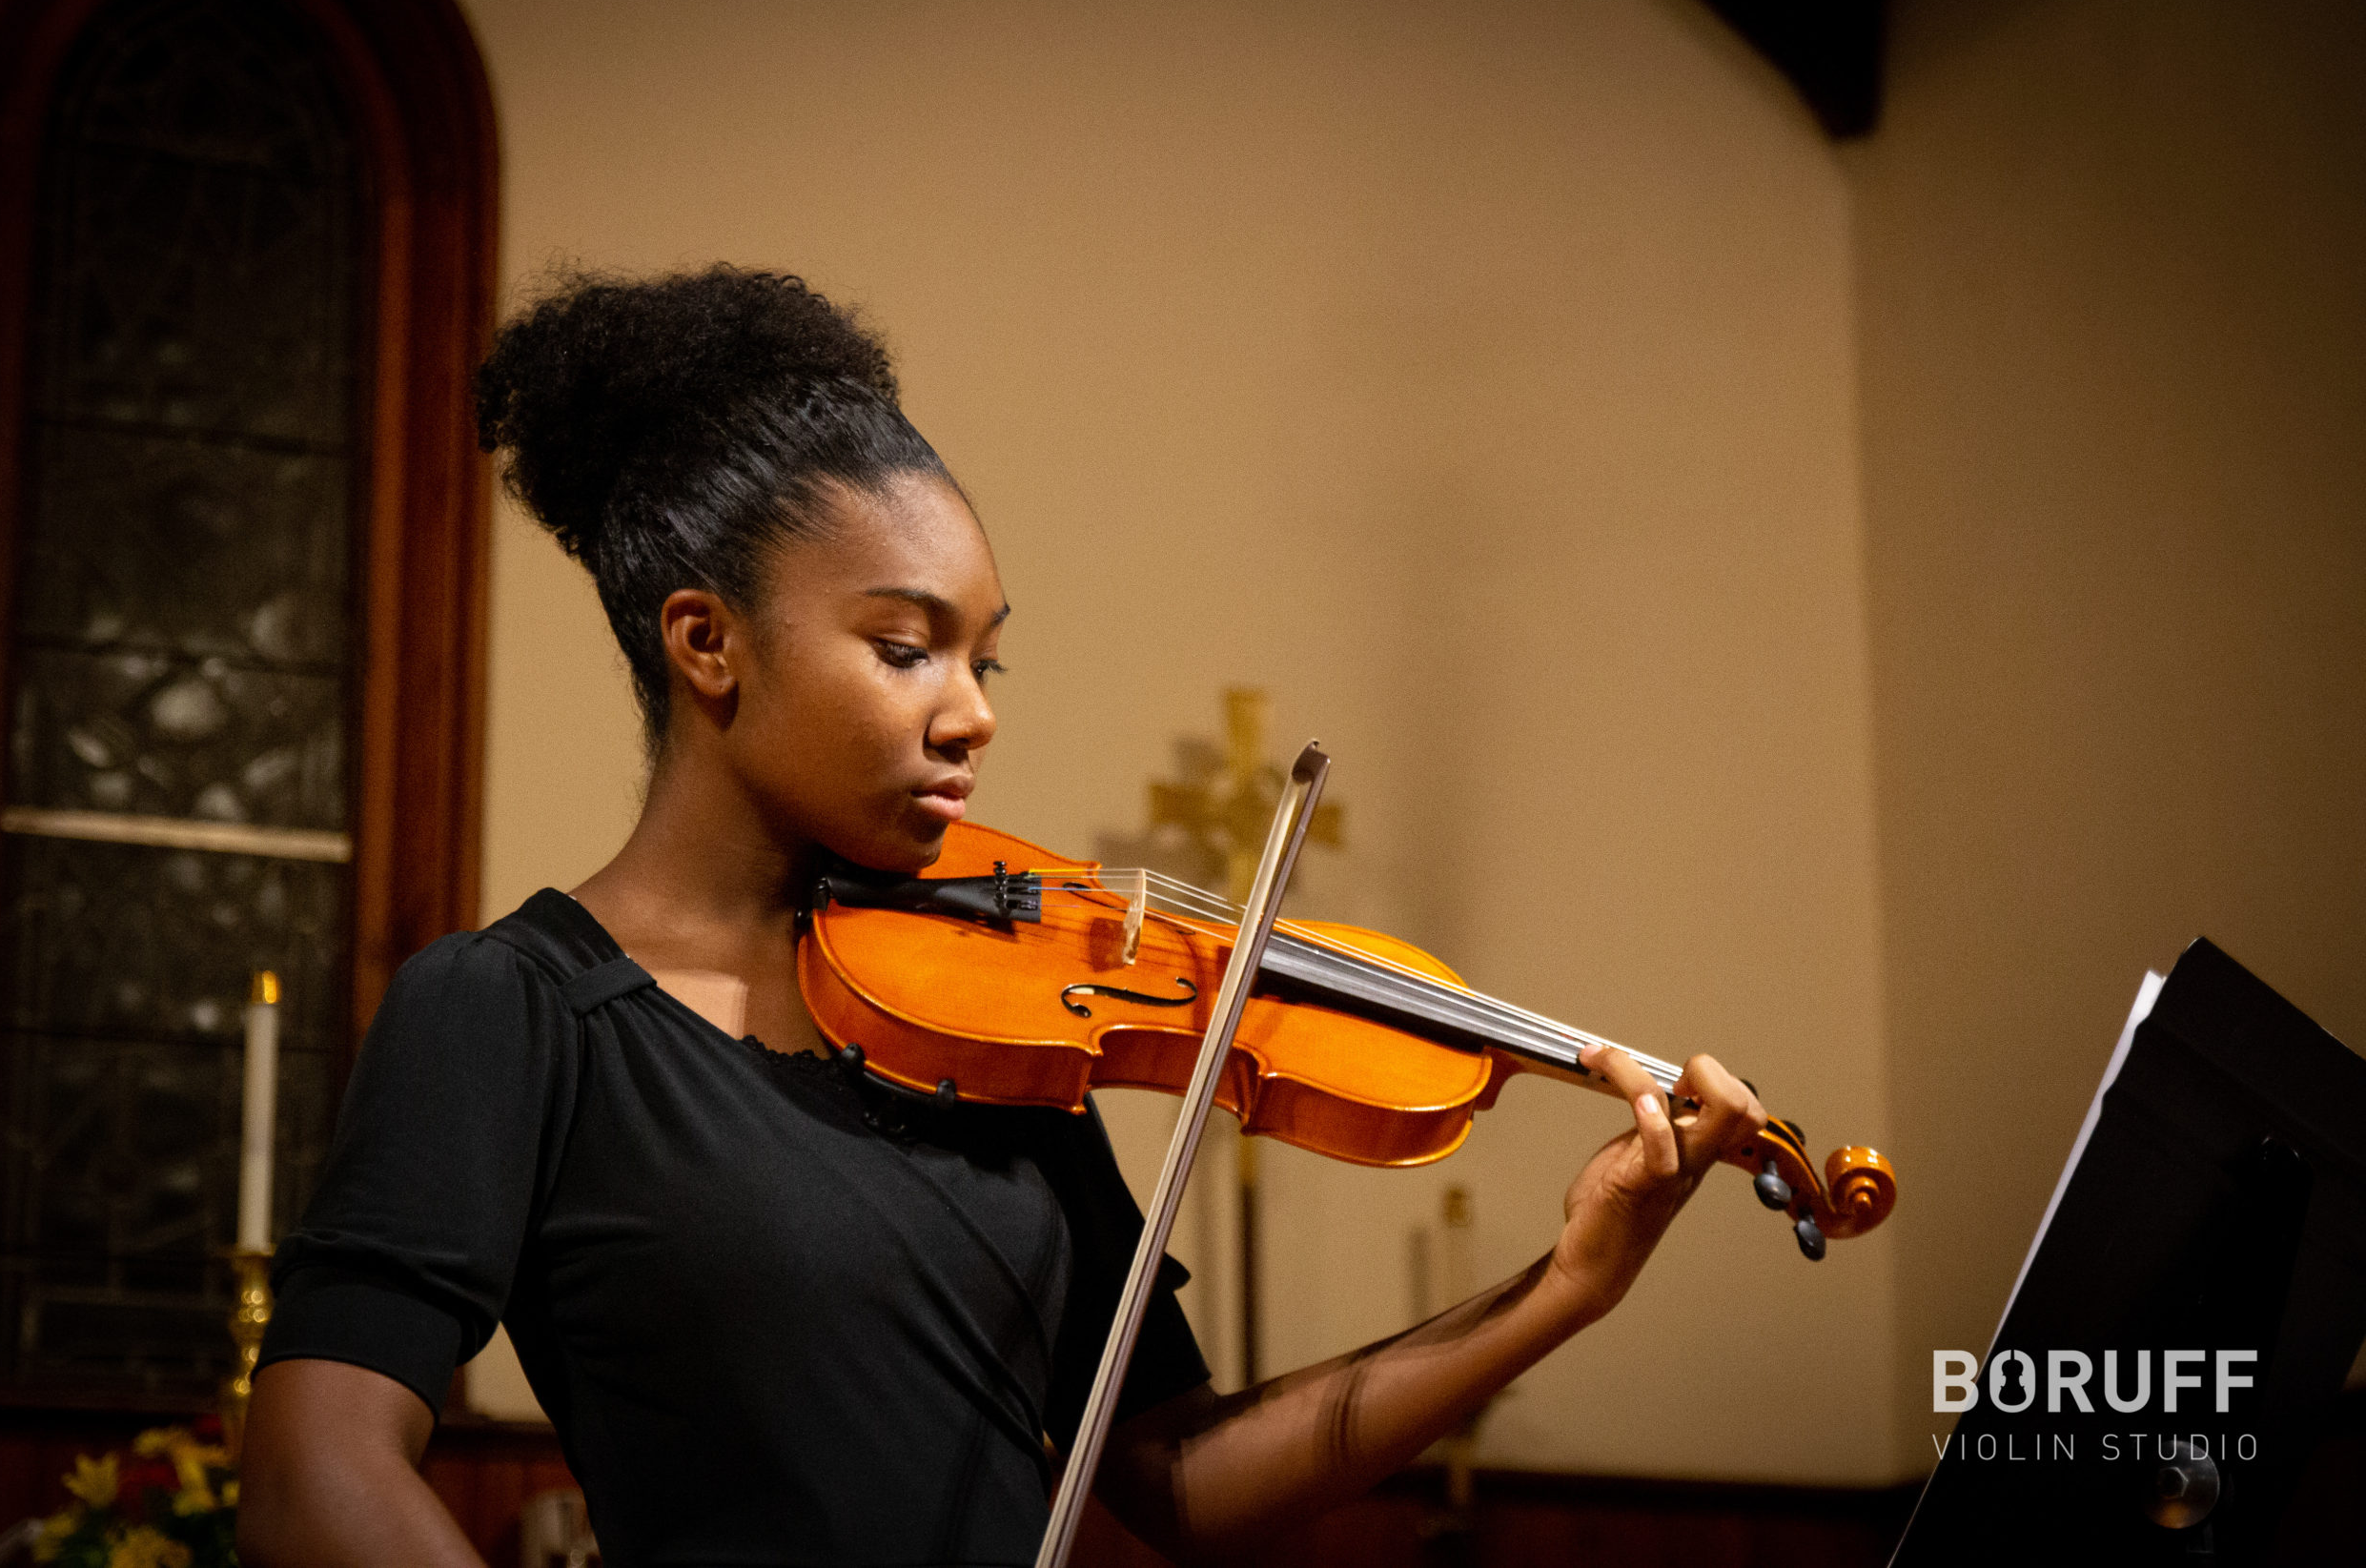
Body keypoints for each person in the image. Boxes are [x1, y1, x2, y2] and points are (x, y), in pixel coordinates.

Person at [234, 267, 1767, 1568]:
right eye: (907, 648)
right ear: (707, 643)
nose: (971, 713)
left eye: (987, 659)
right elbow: (317, 1470)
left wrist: (1565, 1288)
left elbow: (1176, 1473)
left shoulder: (983, 1019)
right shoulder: (515, 1010)